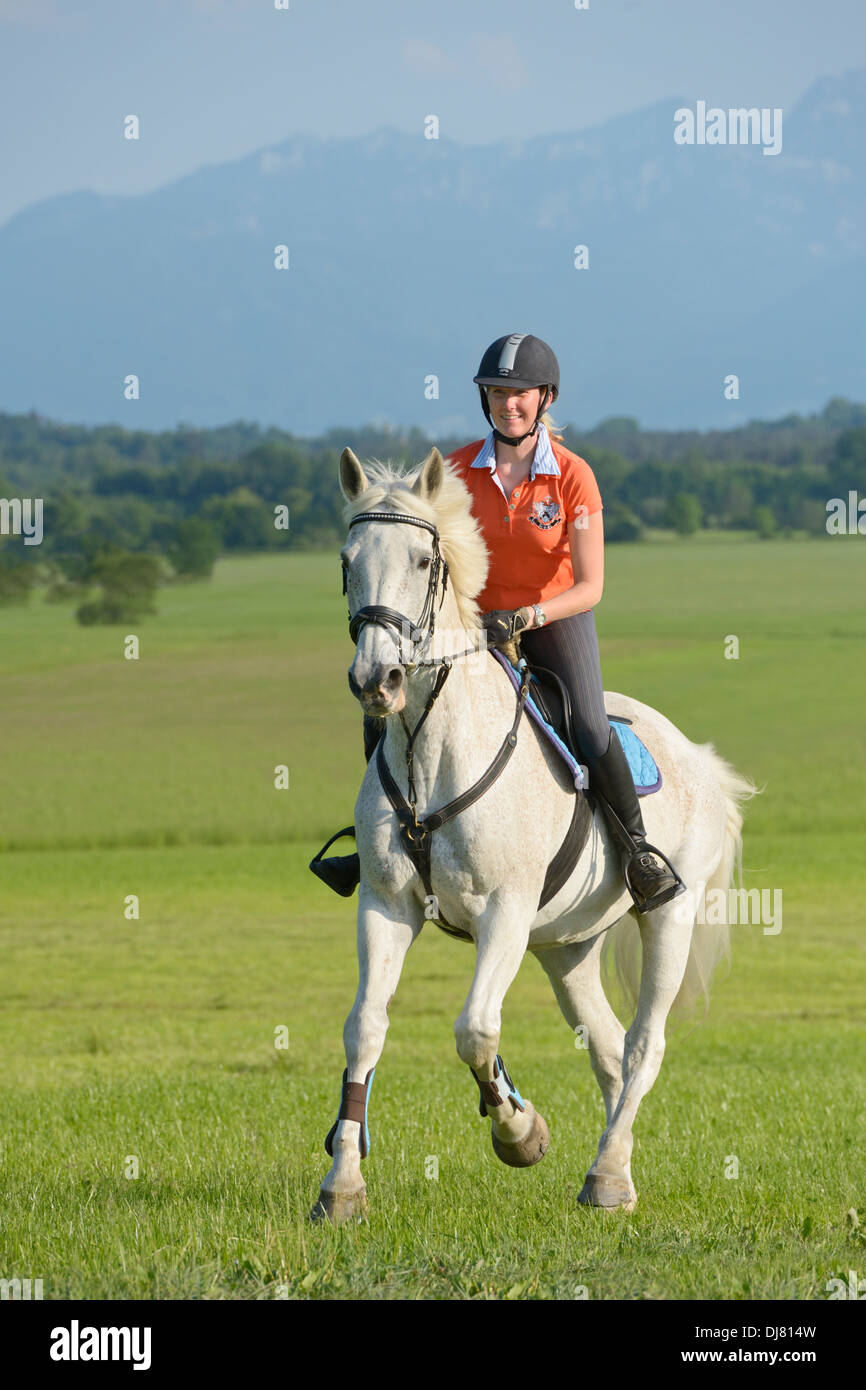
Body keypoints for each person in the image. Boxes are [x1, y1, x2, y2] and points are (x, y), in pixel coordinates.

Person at [310, 333, 685, 915]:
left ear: (546, 398)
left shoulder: (573, 476)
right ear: (485, 399)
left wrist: (530, 614)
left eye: (522, 393)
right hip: (472, 624)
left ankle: (638, 851)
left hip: (552, 617)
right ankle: (374, 846)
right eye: (498, 392)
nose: (509, 403)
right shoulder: (454, 470)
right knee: (390, 711)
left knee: (587, 723)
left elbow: (591, 586)